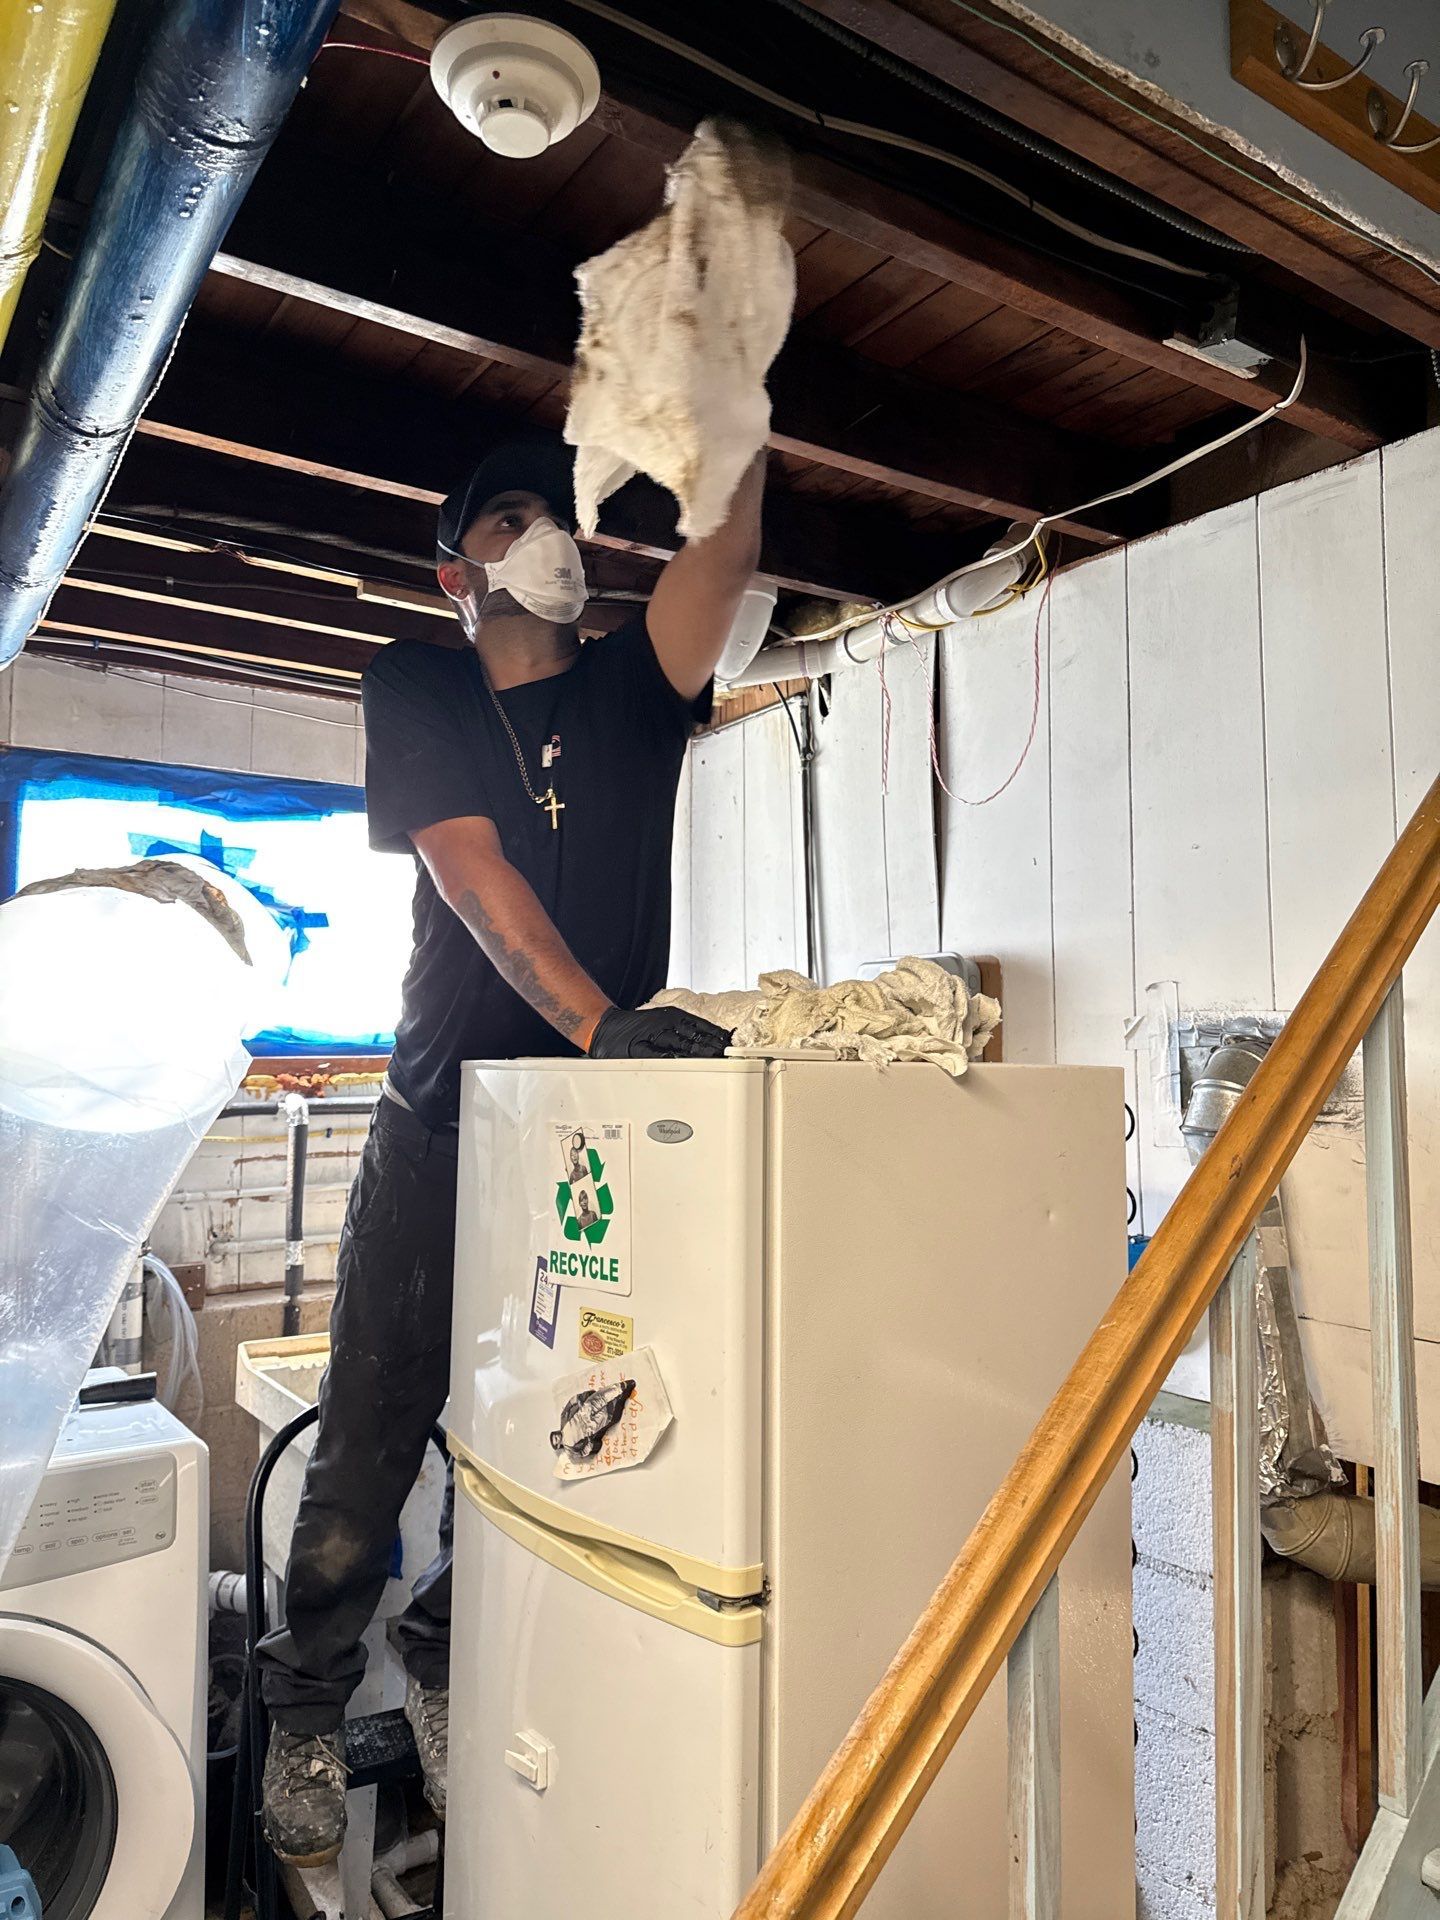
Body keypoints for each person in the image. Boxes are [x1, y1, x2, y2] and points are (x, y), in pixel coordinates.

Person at [255, 436, 762, 1866]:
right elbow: (473, 880)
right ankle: (301, 1707)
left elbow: (720, 565)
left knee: (562, 1418)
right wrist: (600, 1022)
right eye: (512, 519)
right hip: (444, 1125)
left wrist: (724, 420)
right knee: (373, 1434)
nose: (549, 537)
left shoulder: (630, 692)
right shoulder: (419, 684)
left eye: (563, 514)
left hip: (589, 1138)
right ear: (457, 568)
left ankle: (442, 1655)